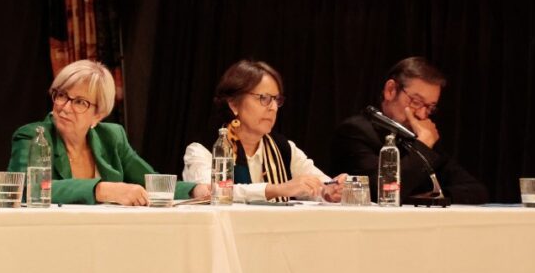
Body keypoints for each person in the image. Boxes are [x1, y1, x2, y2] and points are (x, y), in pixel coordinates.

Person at [8, 59, 209, 205]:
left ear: (98, 115)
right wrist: (101, 189)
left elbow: (150, 182)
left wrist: (195, 190)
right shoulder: (33, 136)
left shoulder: (112, 137)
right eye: (62, 95)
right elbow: (26, 189)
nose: (65, 107)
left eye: (80, 102)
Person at [329, 57, 489, 204]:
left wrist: (434, 196)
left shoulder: (417, 139)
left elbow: (477, 190)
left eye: (430, 107)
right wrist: (423, 147)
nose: (421, 114)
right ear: (390, 90)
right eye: (416, 102)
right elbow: (379, 192)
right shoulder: (355, 131)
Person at [183, 60, 345, 203]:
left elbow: (318, 182)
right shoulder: (203, 149)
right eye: (264, 98)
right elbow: (209, 192)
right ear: (233, 104)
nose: (273, 107)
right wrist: (275, 189)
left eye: (276, 100)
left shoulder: (283, 148)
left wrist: (329, 190)